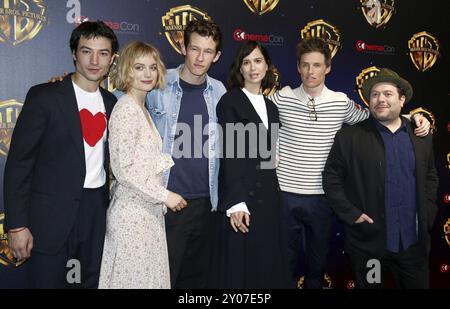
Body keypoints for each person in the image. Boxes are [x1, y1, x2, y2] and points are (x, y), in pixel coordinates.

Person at [267, 37, 430, 288]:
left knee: (316, 266)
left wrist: (411, 116)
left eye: (317, 65)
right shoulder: (282, 98)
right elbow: (256, 122)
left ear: (328, 68)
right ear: (298, 67)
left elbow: (375, 116)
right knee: (280, 264)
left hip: (322, 199)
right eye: (306, 65)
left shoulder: (341, 102)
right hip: (283, 194)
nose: (311, 71)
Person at [4, 21, 119, 288]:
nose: (94, 60)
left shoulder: (113, 103)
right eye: (86, 51)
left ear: (112, 59)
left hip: (96, 213)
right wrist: (17, 225)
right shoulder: (44, 97)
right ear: (73, 53)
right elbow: (19, 164)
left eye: (102, 53)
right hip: (50, 216)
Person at [322, 68, 438, 288]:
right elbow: (331, 177)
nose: (380, 99)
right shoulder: (350, 136)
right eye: (375, 95)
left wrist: (428, 212)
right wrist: (351, 214)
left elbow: (430, 175)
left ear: (402, 100)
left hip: (413, 246)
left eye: (387, 93)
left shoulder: (421, 135)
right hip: (369, 248)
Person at [98, 42, 187, 289]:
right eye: (139, 67)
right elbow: (124, 169)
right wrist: (165, 195)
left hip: (145, 213)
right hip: (131, 216)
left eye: (152, 67)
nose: (147, 74)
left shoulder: (142, 109)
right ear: (127, 70)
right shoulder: (126, 109)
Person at [145, 19, 226, 288]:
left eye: (208, 51)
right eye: (194, 49)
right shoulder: (158, 83)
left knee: (198, 282)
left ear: (217, 56)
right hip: (168, 201)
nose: (200, 58)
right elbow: (120, 103)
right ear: (183, 47)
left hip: (207, 203)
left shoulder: (219, 91)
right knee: (162, 279)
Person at [213, 40, 291, 288]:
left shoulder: (271, 107)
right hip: (243, 199)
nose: (252, 68)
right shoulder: (230, 102)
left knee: (267, 267)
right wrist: (236, 203)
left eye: (258, 61)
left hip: (269, 197)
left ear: (267, 66)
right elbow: (231, 154)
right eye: (246, 62)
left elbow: (269, 153)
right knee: (242, 269)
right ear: (240, 69)